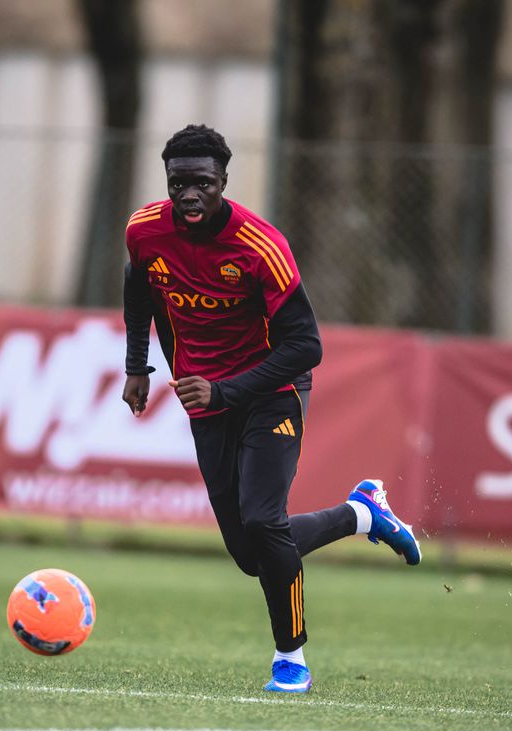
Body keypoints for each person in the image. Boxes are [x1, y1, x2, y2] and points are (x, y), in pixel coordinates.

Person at [122, 124, 421, 694]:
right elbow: (139, 288)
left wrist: (227, 390)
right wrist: (139, 365)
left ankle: (292, 659)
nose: (189, 194)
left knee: (263, 520)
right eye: (178, 182)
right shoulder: (144, 231)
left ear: (224, 182)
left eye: (202, 183)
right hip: (203, 398)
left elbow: (306, 346)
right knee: (249, 554)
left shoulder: (261, 246)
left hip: (271, 393)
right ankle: (363, 514)